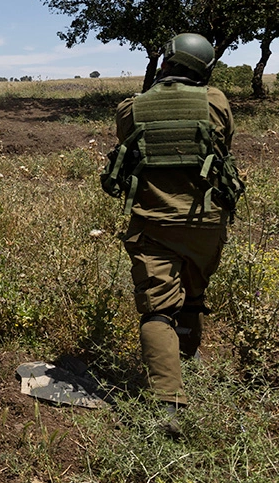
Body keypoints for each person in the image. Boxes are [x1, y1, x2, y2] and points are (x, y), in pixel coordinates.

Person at [104, 33, 244, 438]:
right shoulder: (216, 102)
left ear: (165, 61)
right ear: (204, 68)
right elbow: (223, 146)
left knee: (158, 311)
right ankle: (188, 359)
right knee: (193, 298)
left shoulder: (131, 108)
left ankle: (168, 408)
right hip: (207, 222)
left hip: (154, 222)